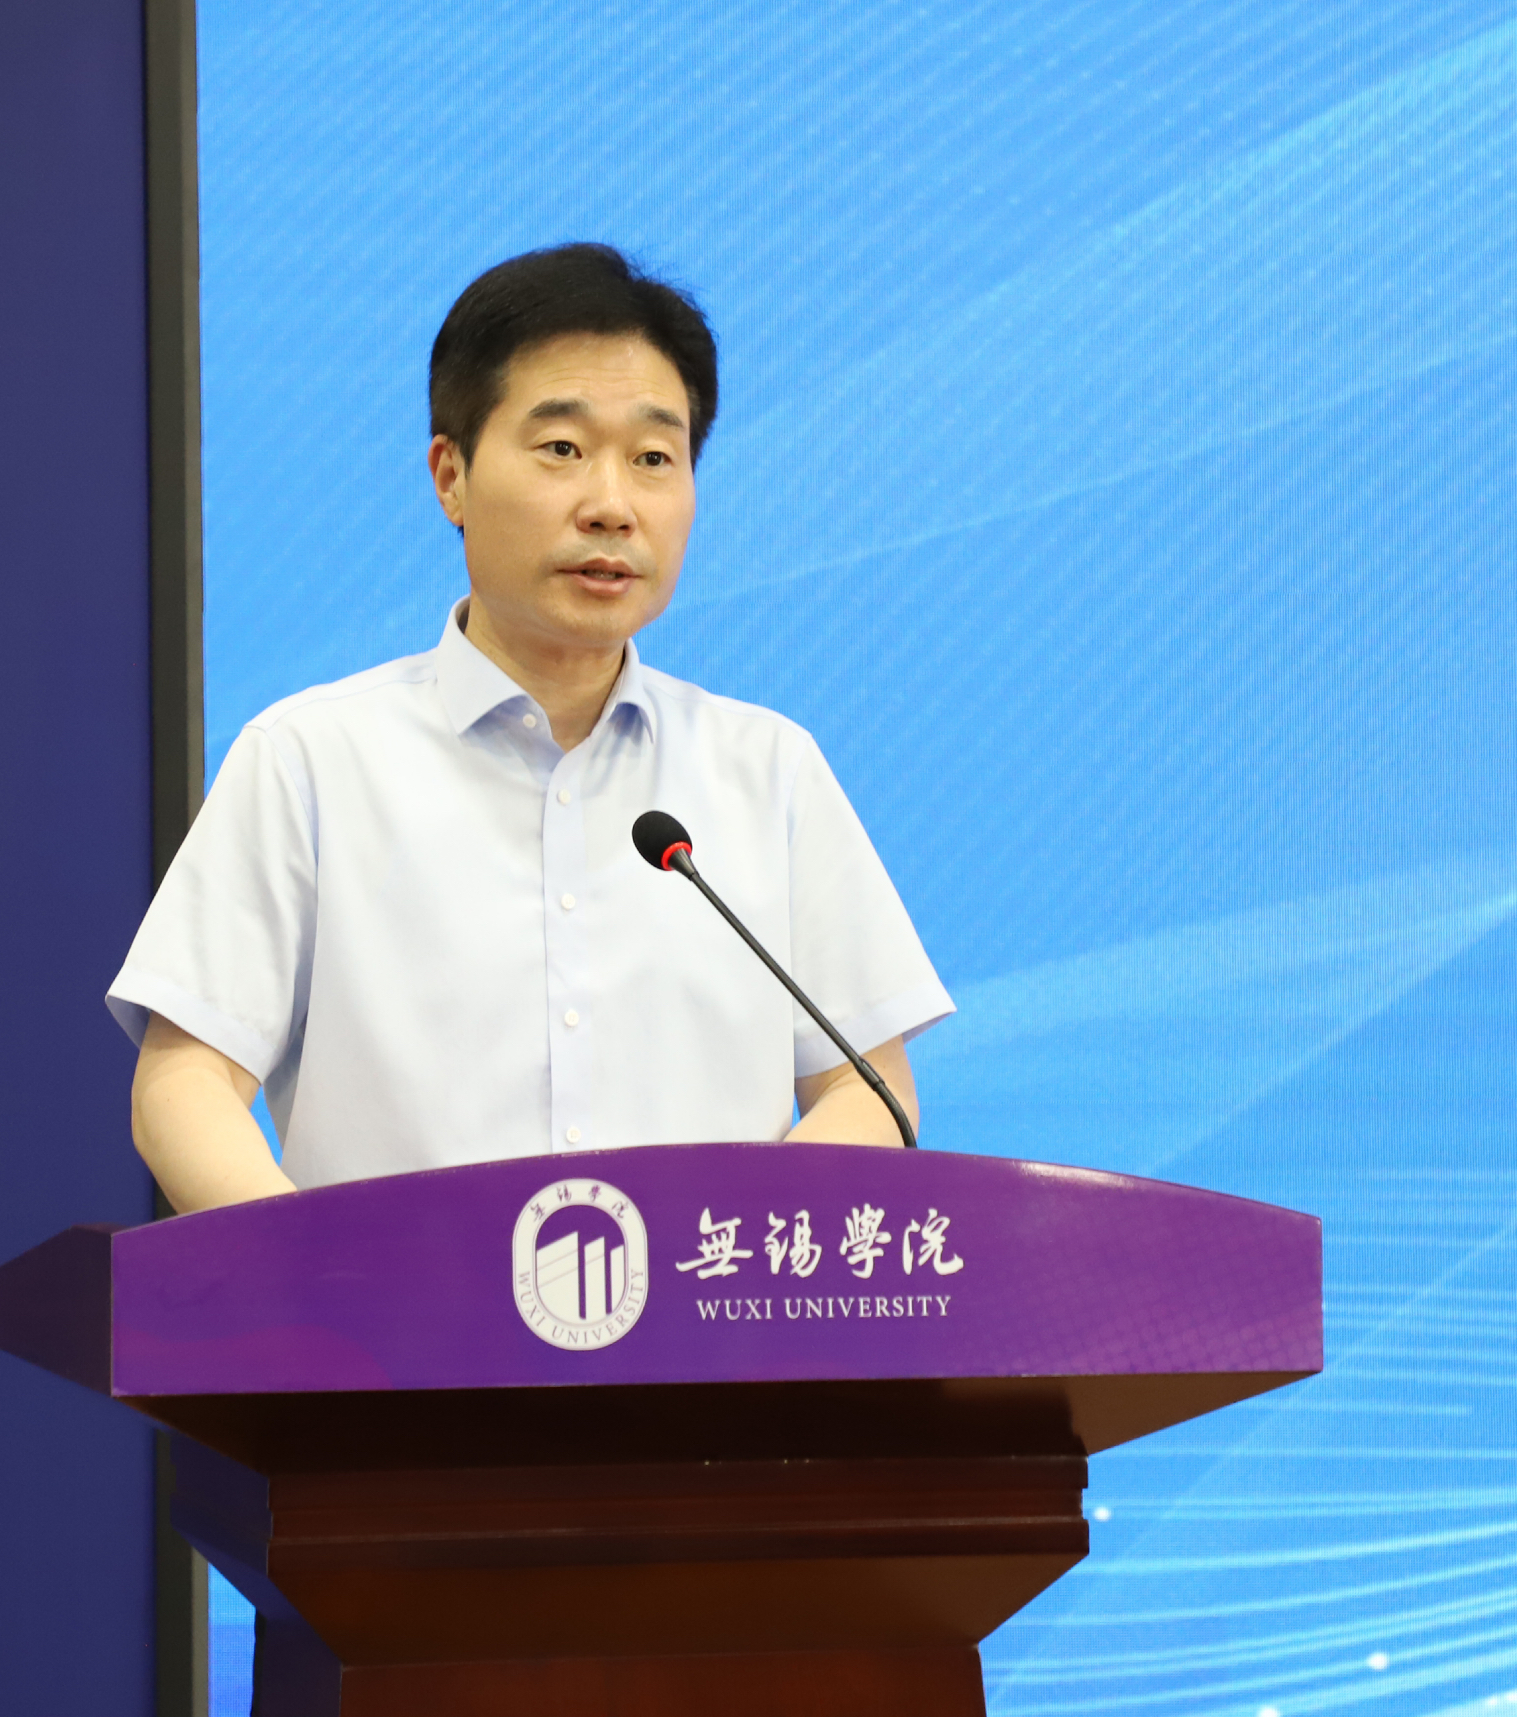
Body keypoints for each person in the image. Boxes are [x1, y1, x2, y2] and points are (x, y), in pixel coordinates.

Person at [107, 243, 951, 1213]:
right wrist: (308, 1278)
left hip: (713, 1313)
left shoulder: (767, 771)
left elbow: (868, 1087)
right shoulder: (310, 761)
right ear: (450, 476)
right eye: (561, 449)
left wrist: (732, 1264)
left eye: (653, 459)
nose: (611, 506)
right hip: (388, 1312)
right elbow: (184, 1083)